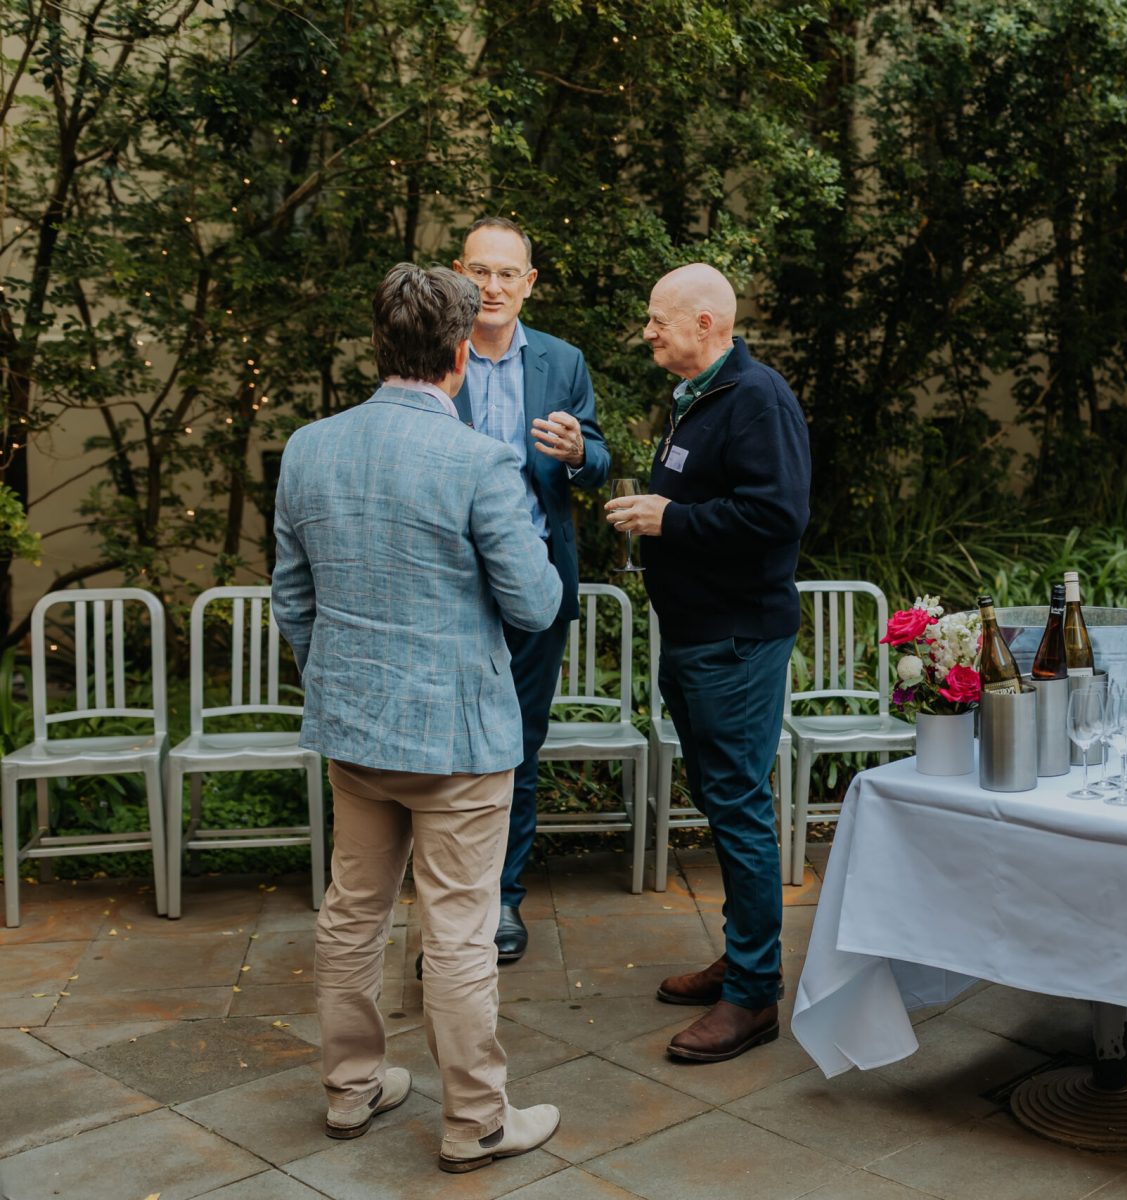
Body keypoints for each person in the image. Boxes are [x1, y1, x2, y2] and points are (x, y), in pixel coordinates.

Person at [273, 263, 563, 1173]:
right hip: (459, 742)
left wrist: (340, 683)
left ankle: (350, 1088)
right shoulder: (479, 459)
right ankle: (475, 1121)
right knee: (460, 931)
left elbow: (292, 599)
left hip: (356, 732)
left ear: (379, 344)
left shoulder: (308, 447)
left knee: (352, 912)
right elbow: (535, 604)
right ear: (459, 354)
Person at [604, 263, 810, 1063]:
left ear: (706, 324)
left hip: (736, 639)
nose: (648, 331)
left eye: (659, 319)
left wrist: (671, 521)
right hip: (697, 635)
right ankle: (742, 955)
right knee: (723, 802)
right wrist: (667, 518)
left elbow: (778, 513)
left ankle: (753, 995)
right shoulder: (699, 397)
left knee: (738, 805)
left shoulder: (758, 397)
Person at [450, 217, 610, 966]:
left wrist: (580, 454)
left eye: (506, 273)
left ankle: (504, 899)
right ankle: (454, 906)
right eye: (479, 271)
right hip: (451, 587)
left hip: (537, 585)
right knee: (452, 749)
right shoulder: (434, 351)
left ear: (529, 283)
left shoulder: (561, 360)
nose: (492, 286)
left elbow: (598, 457)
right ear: (459, 274)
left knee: (518, 745)